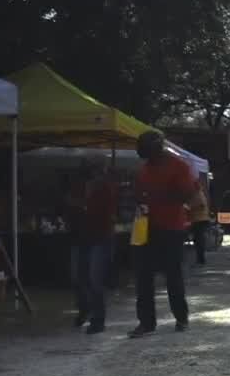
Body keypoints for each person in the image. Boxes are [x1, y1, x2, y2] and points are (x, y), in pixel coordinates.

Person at [129, 131, 195, 338]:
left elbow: (189, 193)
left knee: (173, 275)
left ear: (157, 148)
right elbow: (139, 192)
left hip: (171, 228)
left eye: (147, 151)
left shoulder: (178, 166)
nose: (145, 155)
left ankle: (181, 318)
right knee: (143, 277)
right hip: (146, 227)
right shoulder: (145, 168)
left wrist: (159, 197)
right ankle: (146, 323)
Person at [68, 163, 117, 334]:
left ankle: (98, 319)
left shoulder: (104, 190)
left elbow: (107, 215)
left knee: (94, 279)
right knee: (78, 278)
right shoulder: (79, 188)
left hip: (99, 238)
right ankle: (85, 310)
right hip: (81, 237)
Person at [189, 180, 211, 265]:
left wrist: (190, 208)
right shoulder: (199, 193)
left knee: (199, 240)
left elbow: (200, 205)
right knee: (198, 240)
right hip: (199, 219)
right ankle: (200, 259)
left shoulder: (197, 194)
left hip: (199, 220)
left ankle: (200, 259)